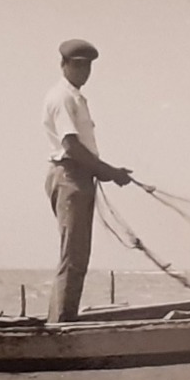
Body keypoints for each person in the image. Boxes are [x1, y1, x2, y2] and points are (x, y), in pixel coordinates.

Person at [42, 38, 134, 323]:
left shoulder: (75, 97)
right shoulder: (63, 97)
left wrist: (107, 171)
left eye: (88, 67)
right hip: (71, 175)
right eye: (77, 66)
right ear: (63, 65)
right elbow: (71, 145)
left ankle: (60, 320)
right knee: (74, 256)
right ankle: (62, 327)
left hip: (78, 174)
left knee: (76, 255)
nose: (83, 72)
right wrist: (107, 171)